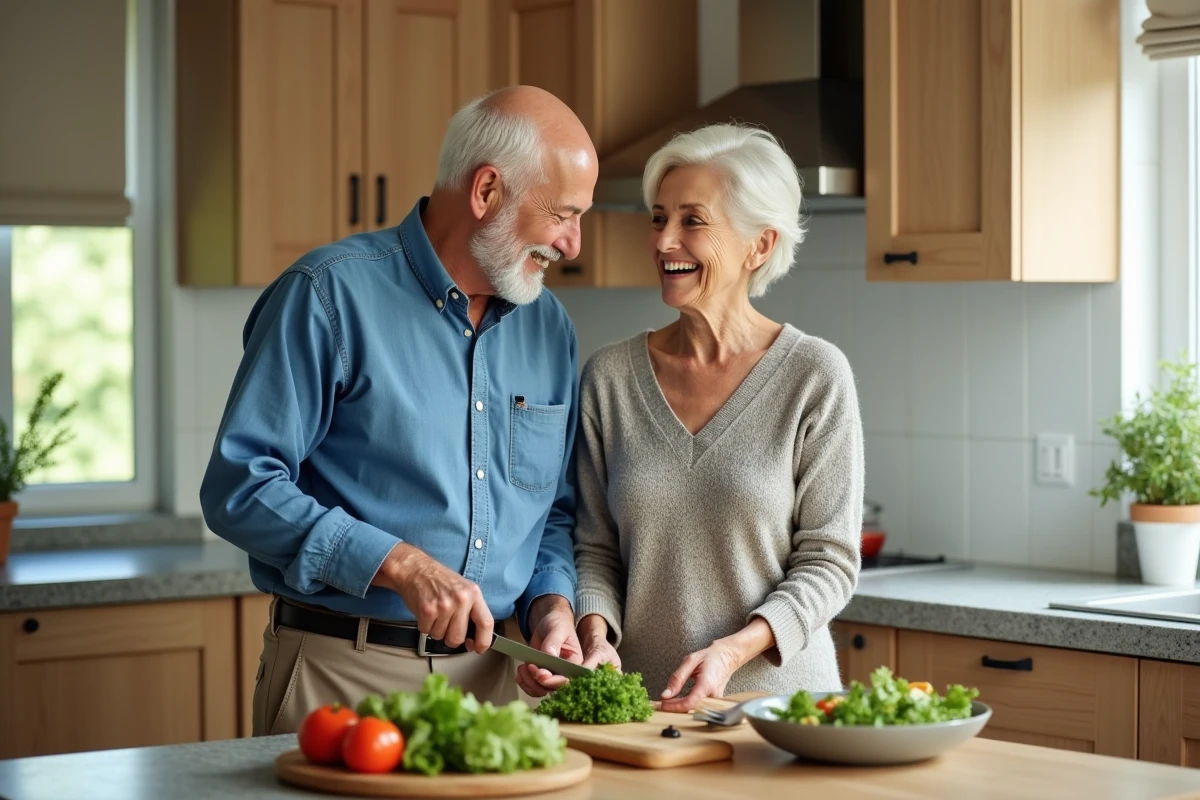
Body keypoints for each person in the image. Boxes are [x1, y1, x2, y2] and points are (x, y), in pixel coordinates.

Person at [199, 86, 598, 735]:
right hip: (345, 679)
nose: (573, 243)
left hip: (503, 691)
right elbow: (240, 487)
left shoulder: (550, 328)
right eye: (563, 214)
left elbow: (549, 511)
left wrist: (551, 609)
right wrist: (400, 564)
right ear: (487, 191)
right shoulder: (327, 296)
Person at [519, 124, 863, 709]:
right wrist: (594, 633)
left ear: (760, 245)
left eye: (692, 221)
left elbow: (829, 562)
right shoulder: (611, 379)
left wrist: (732, 652)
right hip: (646, 709)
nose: (663, 241)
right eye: (658, 219)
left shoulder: (814, 375)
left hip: (778, 708)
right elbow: (596, 548)